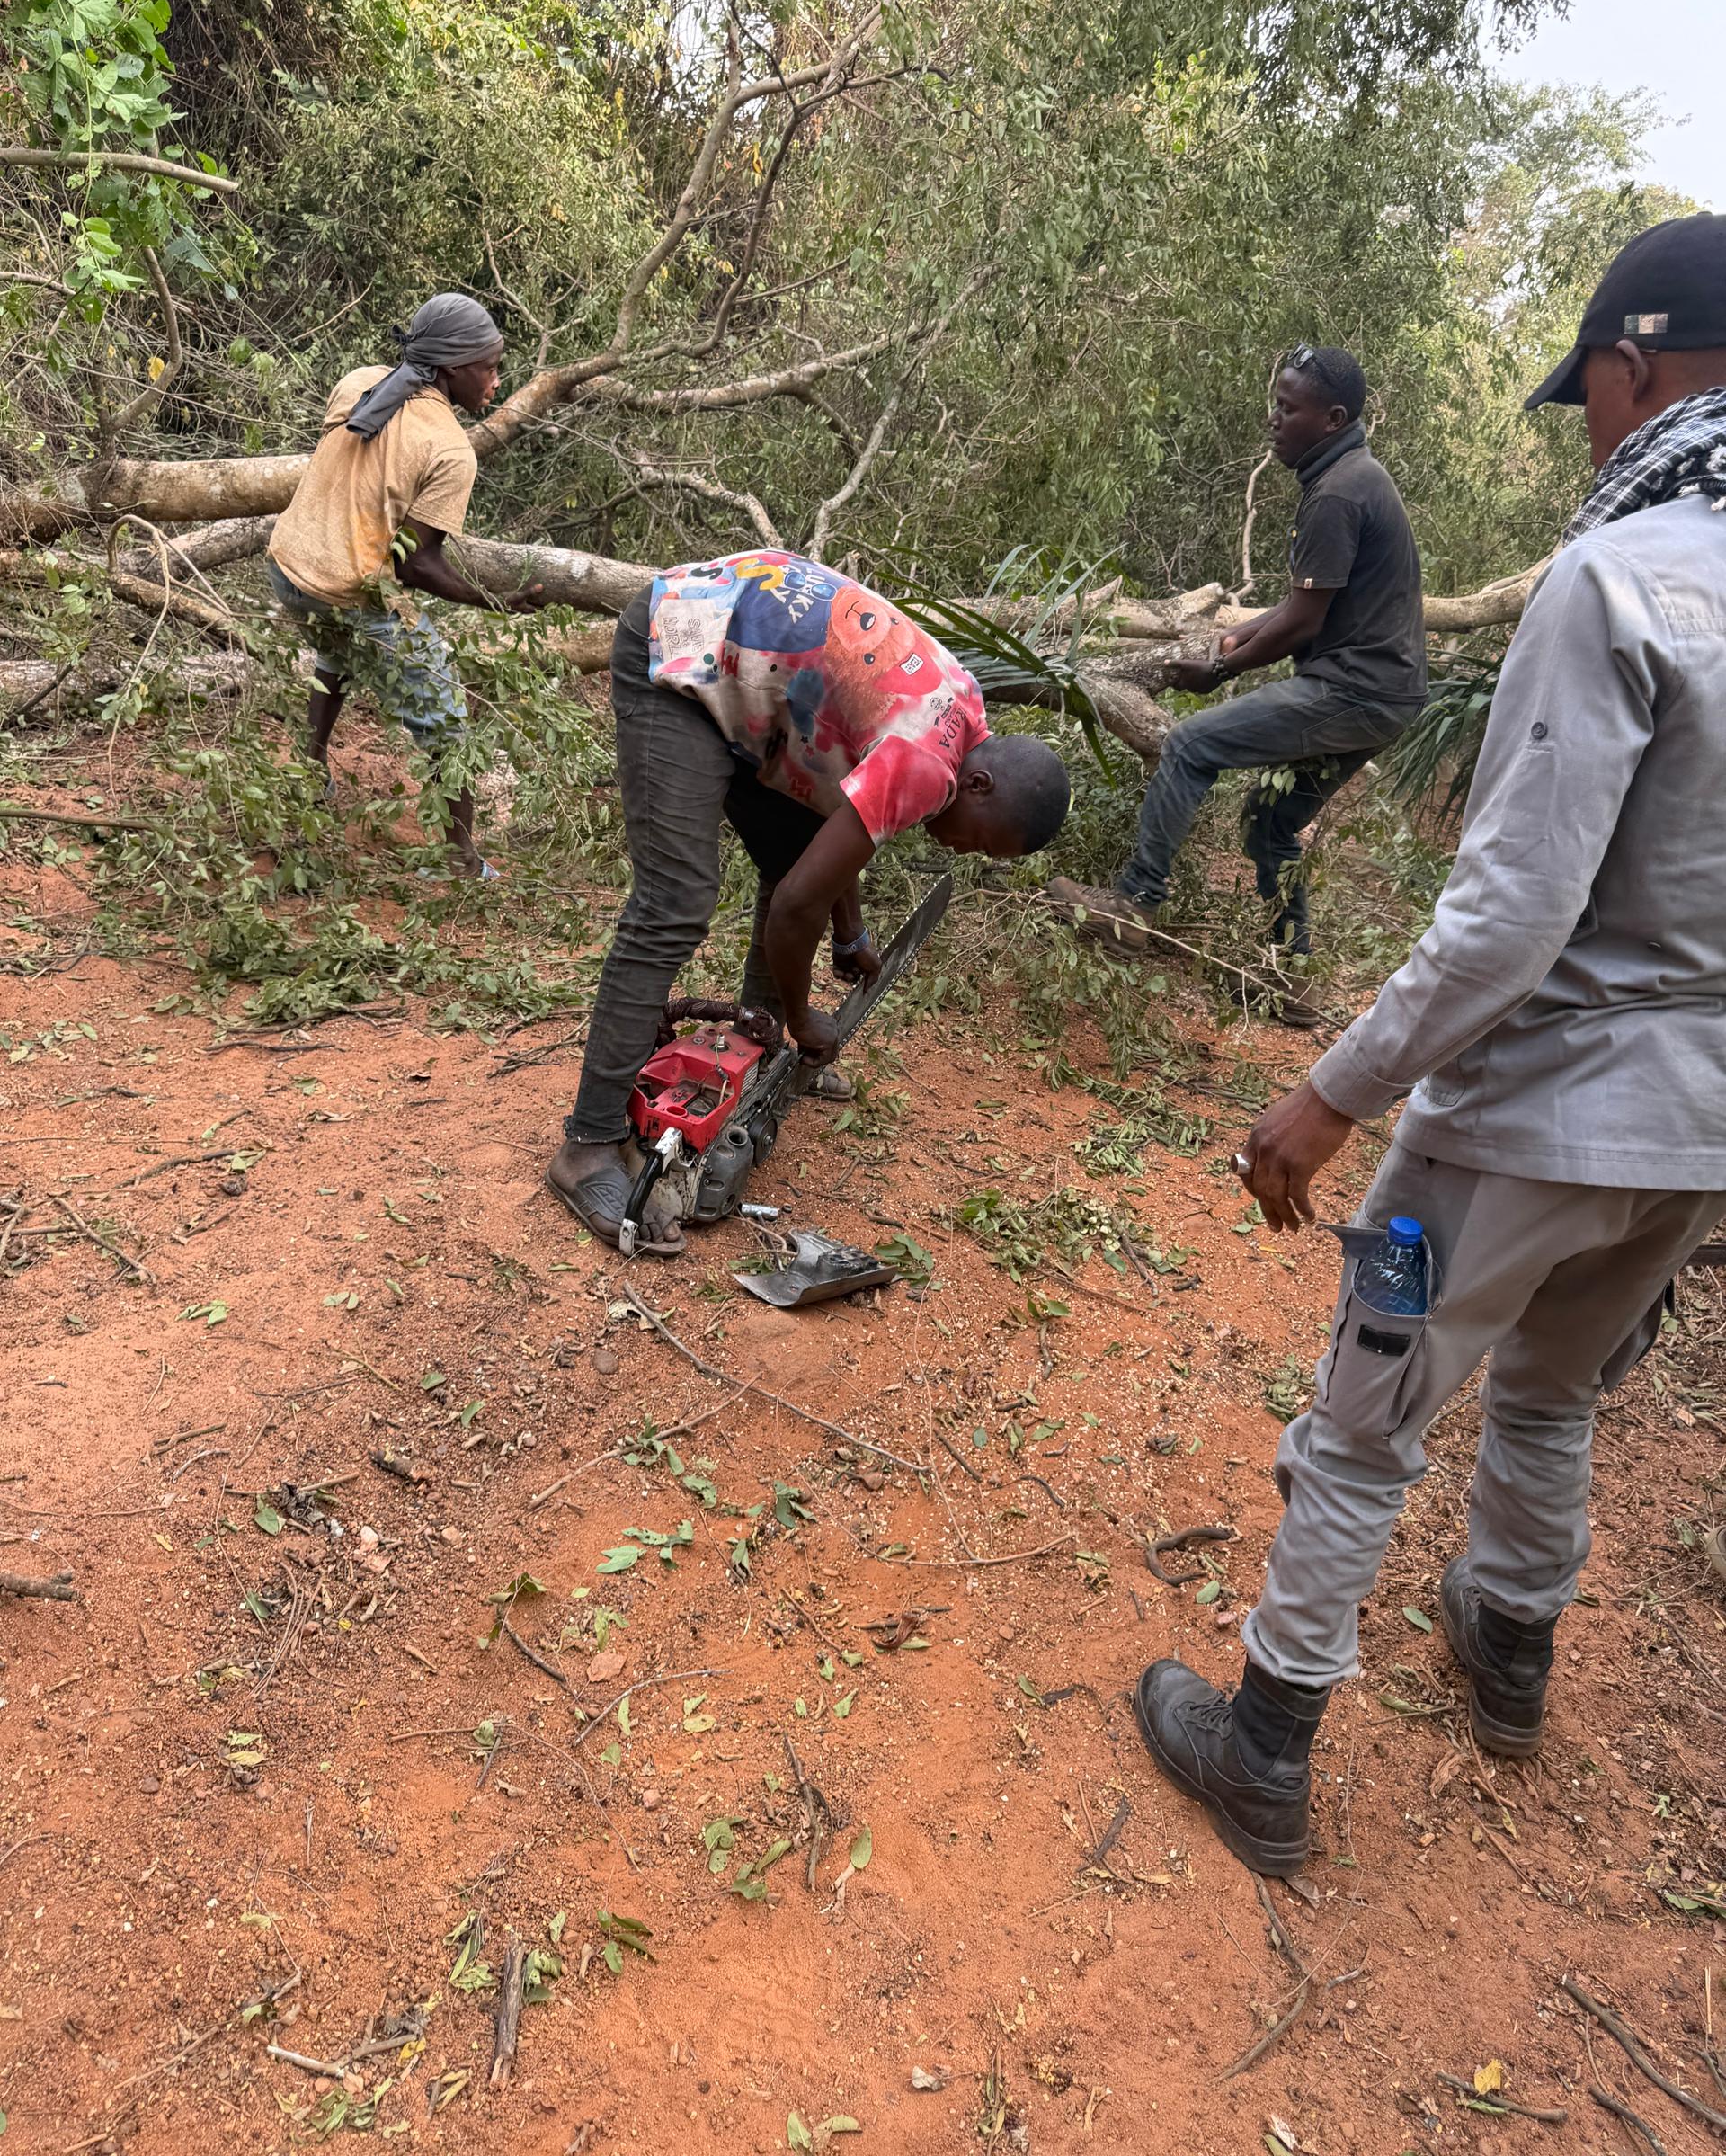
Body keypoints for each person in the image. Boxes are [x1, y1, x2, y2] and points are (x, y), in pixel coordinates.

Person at [1132, 212, 1726, 1877]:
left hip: (1532, 1115)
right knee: (1550, 1397)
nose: (1595, 433)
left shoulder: (1617, 578)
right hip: (1698, 1137)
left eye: (1594, 397)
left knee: (1366, 1415)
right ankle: (1509, 1656)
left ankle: (1265, 1751)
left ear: (1635, 367)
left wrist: (1329, 1097)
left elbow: (1509, 920)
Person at [547, 548, 1071, 1252]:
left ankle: (752, 1066)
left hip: (751, 665)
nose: (961, 850)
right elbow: (798, 908)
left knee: (791, 860)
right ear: (978, 789)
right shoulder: (927, 765)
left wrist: (851, 936)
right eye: (980, 843)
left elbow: (836, 813)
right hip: (684, 637)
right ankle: (587, 1144)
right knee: (676, 900)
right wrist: (801, 1018)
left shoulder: (965, 713)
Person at [1045, 345, 1425, 1023]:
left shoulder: (1337, 494)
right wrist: (1237, 637)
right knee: (1270, 823)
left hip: (1353, 693)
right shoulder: (1349, 476)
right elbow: (1302, 602)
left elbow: (1305, 624)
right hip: (1384, 698)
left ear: (1333, 417)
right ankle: (1295, 979)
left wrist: (1218, 669)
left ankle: (1135, 904)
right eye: (1274, 404)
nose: (1273, 420)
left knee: (1191, 746)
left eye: (1288, 408)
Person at [266, 292, 544, 877]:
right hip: (343, 586)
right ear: (449, 368)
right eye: (487, 367)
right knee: (446, 713)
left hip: (287, 564)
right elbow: (417, 566)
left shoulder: (361, 382)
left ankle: (309, 773)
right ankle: (461, 858)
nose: (496, 380)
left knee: (335, 649)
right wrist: (493, 601)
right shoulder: (450, 449)